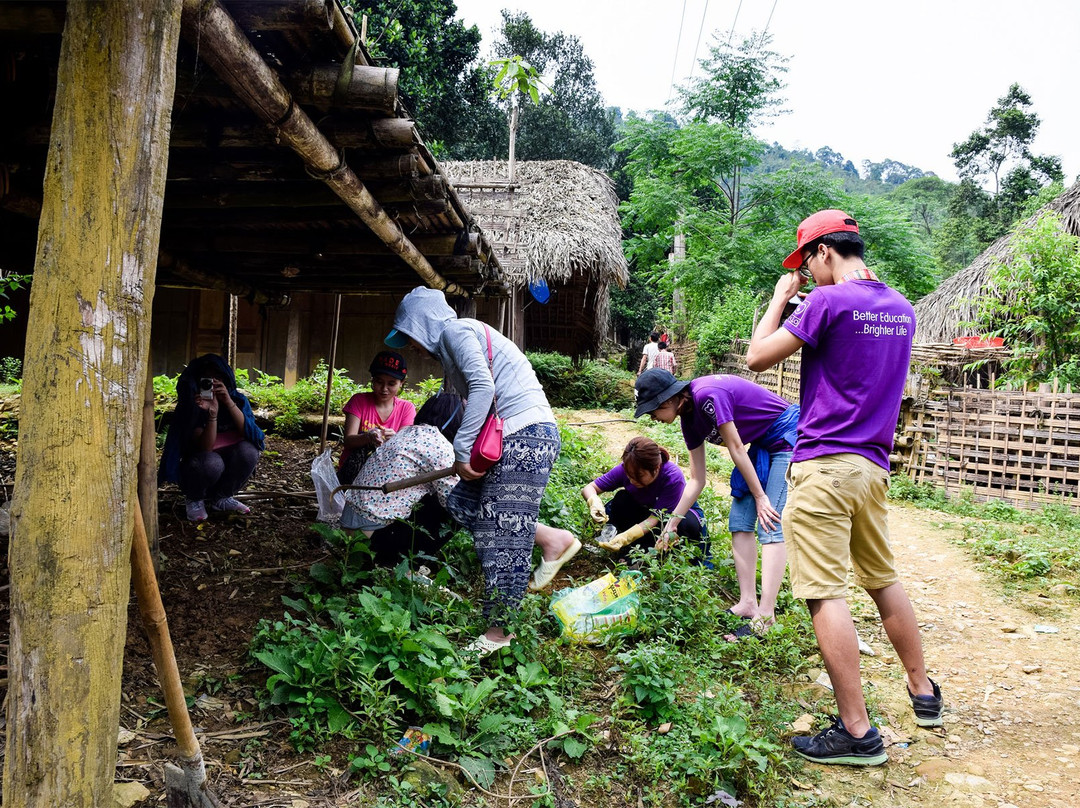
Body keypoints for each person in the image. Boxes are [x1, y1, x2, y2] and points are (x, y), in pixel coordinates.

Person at [746, 209, 942, 766]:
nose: (806, 271)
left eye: (806, 261)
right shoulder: (901, 308)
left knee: (824, 591)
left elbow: (756, 356)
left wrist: (781, 298)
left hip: (824, 467)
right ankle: (923, 694)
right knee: (882, 579)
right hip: (872, 470)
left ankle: (857, 732)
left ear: (824, 252)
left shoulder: (825, 302)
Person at [385, 286, 579, 655]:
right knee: (461, 502)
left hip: (526, 438)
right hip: (515, 438)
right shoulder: (454, 344)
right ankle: (552, 539)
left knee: (503, 532)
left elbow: (483, 387)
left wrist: (461, 452)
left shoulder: (456, 332)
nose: (410, 346)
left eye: (409, 336)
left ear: (422, 324)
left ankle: (500, 632)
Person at [343, 392, 580, 582]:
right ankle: (550, 537)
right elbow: (460, 502)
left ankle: (549, 538)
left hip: (352, 534)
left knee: (448, 498)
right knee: (460, 502)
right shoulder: (437, 444)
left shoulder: (407, 434)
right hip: (373, 542)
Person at [633, 369, 798, 637]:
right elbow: (697, 479)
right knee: (740, 522)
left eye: (653, 411)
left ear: (667, 401)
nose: (653, 417)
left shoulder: (708, 395)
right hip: (759, 445)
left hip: (785, 435)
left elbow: (735, 448)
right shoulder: (688, 421)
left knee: (770, 522)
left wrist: (760, 496)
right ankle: (748, 603)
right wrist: (671, 524)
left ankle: (767, 616)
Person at [159, 354, 264, 522]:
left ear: (226, 379)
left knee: (249, 451)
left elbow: (250, 434)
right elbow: (205, 448)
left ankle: (222, 498)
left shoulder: (238, 400)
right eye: (208, 378)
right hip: (200, 469)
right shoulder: (193, 406)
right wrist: (212, 414)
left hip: (227, 468)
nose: (213, 382)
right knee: (212, 462)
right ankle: (195, 498)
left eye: (218, 377)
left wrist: (228, 402)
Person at [582, 437, 709, 562]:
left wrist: (626, 537)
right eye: (629, 476)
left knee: (685, 524)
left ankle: (648, 554)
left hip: (670, 518)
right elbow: (590, 488)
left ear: (656, 468)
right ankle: (631, 548)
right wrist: (594, 501)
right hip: (647, 511)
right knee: (622, 499)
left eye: (639, 476)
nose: (632, 480)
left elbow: (654, 520)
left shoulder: (672, 477)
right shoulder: (628, 469)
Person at [337, 351, 416, 485]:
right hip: (353, 473)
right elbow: (349, 440)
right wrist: (368, 437)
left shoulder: (406, 408)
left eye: (391, 384)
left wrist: (395, 439)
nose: (384, 389)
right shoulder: (358, 401)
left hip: (386, 474)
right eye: (379, 382)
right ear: (372, 379)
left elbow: (405, 448)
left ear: (401, 383)